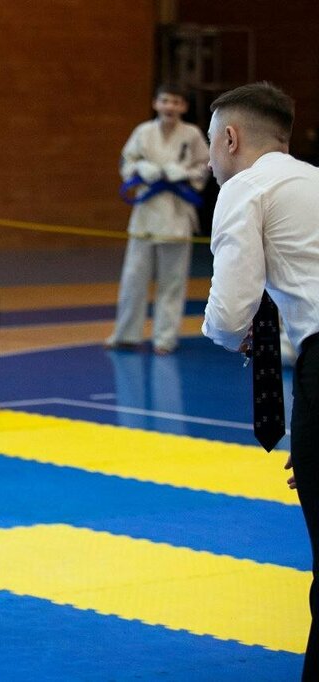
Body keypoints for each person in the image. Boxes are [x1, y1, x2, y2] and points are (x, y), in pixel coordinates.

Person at [202, 82, 319, 682]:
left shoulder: (246, 187)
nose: (208, 160)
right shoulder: (311, 181)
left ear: (230, 138)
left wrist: (230, 332)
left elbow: (229, 314)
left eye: (209, 143)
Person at [106, 83, 210, 355]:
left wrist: (185, 173)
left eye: (176, 102)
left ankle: (165, 338)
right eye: (165, 101)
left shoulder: (192, 134)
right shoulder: (143, 132)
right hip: (145, 216)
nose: (170, 107)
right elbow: (126, 163)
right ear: (156, 104)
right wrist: (141, 168)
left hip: (177, 216)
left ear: (184, 107)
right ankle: (126, 334)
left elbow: (205, 167)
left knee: (172, 283)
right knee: (133, 279)